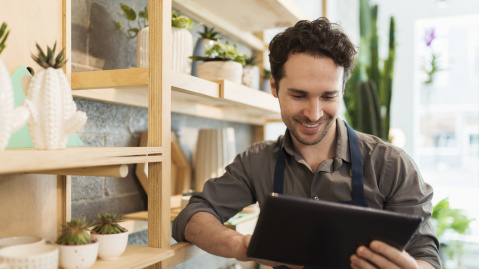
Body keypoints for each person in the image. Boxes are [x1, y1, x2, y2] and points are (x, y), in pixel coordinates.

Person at [173, 18, 440, 269]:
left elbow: (425, 255)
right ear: (275, 87)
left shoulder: (391, 164)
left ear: (342, 90)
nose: (314, 113)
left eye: (328, 96)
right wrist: (242, 245)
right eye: (299, 95)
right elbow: (193, 215)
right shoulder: (257, 162)